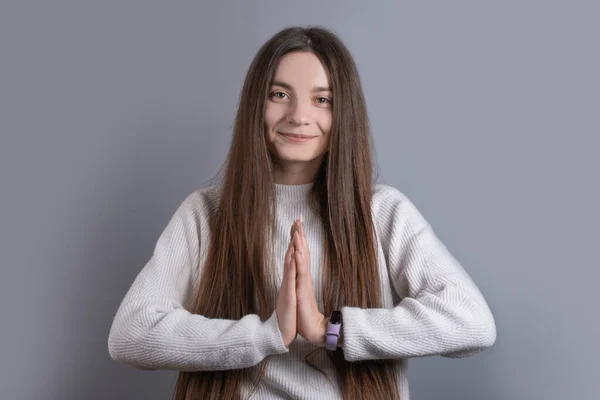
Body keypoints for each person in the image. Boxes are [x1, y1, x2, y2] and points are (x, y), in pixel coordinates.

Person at [108, 26, 497, 400]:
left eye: (322, 99)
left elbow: (472, 323)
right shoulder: (205, 214)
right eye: (279, 94)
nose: (298, 115)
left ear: (344, 114)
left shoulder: (382, 212)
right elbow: (130, 333)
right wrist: (265, 335)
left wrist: (330, 329)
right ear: (254, 105)